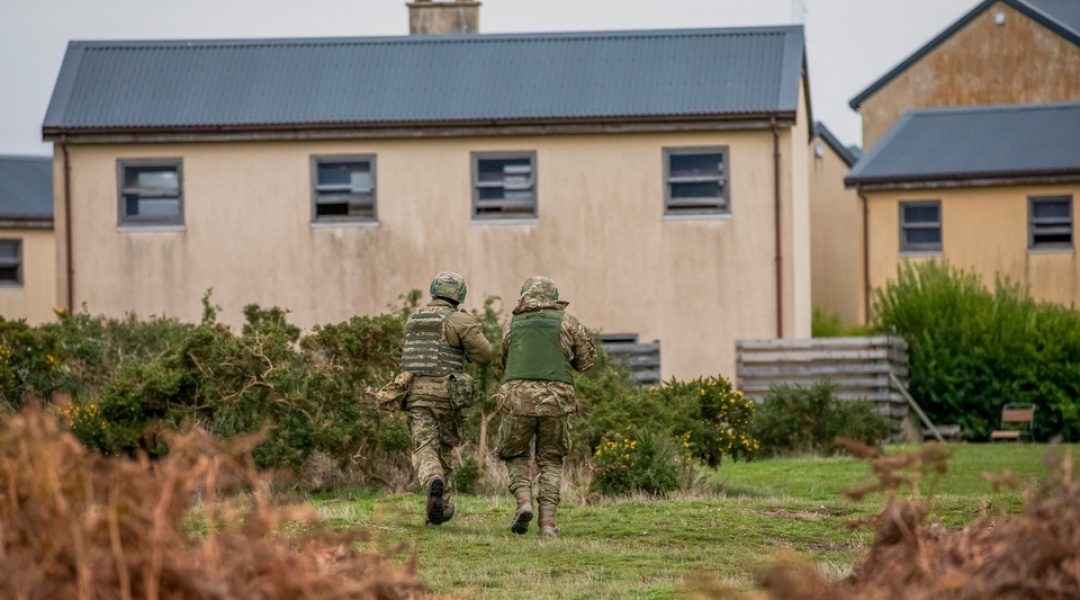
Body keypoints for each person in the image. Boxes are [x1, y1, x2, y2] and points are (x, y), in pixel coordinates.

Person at [495, 276, 595, 537]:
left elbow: (504, 360)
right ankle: (548, 524)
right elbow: (586, 363)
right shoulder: (568, 321)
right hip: (556, 401)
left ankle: (524, 501)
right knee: (550, 459)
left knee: (514, 453)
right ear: (553, 296)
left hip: (518, 399)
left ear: (525, 295)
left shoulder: (511, 324)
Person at [400, 271, 492, 525]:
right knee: (444, 448)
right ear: (460, 295)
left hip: (416, 394)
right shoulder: (459, 321)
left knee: (424, 447)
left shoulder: (414, 318)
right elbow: (485, 356)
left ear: (433, 290)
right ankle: (439, 500)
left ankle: (433, 488)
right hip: (448, 396)